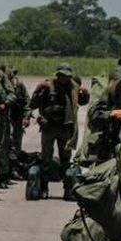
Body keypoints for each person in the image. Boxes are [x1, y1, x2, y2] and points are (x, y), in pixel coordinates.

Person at [27, 63, 90, 199]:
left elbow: (83, 102)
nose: (64, 78)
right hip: (48, 127)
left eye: (67, 76)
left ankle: (67, 189)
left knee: (66, 160)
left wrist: (84, 93)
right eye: (62, 75)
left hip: (65, 128)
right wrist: (38, 89)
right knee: (46, 160)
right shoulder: (47, 86)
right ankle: (44, 188)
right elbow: (33, 104)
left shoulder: (74, 88)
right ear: (58, 75)